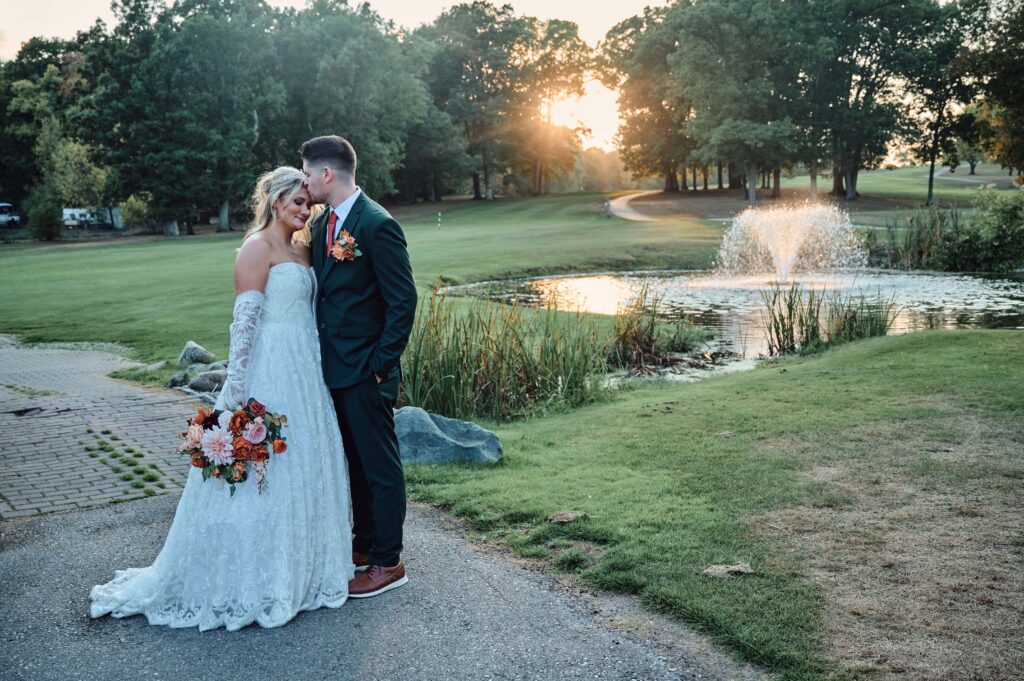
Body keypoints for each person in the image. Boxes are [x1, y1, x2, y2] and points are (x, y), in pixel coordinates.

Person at [90, 167, 354, 630]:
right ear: (276, 201)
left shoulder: (304, 247)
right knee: (262, 474)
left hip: (305, 369)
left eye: (308, 204)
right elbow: (245, 324)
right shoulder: (255, 248)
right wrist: (234, 395)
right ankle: (249, 578)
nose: (304, 210)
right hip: (270, 369)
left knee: (306, 463)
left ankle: (302, 568)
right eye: (297, 202)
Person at [300, 135, 417, 598]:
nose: (306, 181)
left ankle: (388, 562)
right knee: (355, 466)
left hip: (366, 373)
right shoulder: (325, 222)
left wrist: (378, 366)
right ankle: (365, 546)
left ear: (326, 174)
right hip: (334, 370)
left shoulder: (375, 224)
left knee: (381, 469)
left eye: (308, 173)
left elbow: (402, 301)